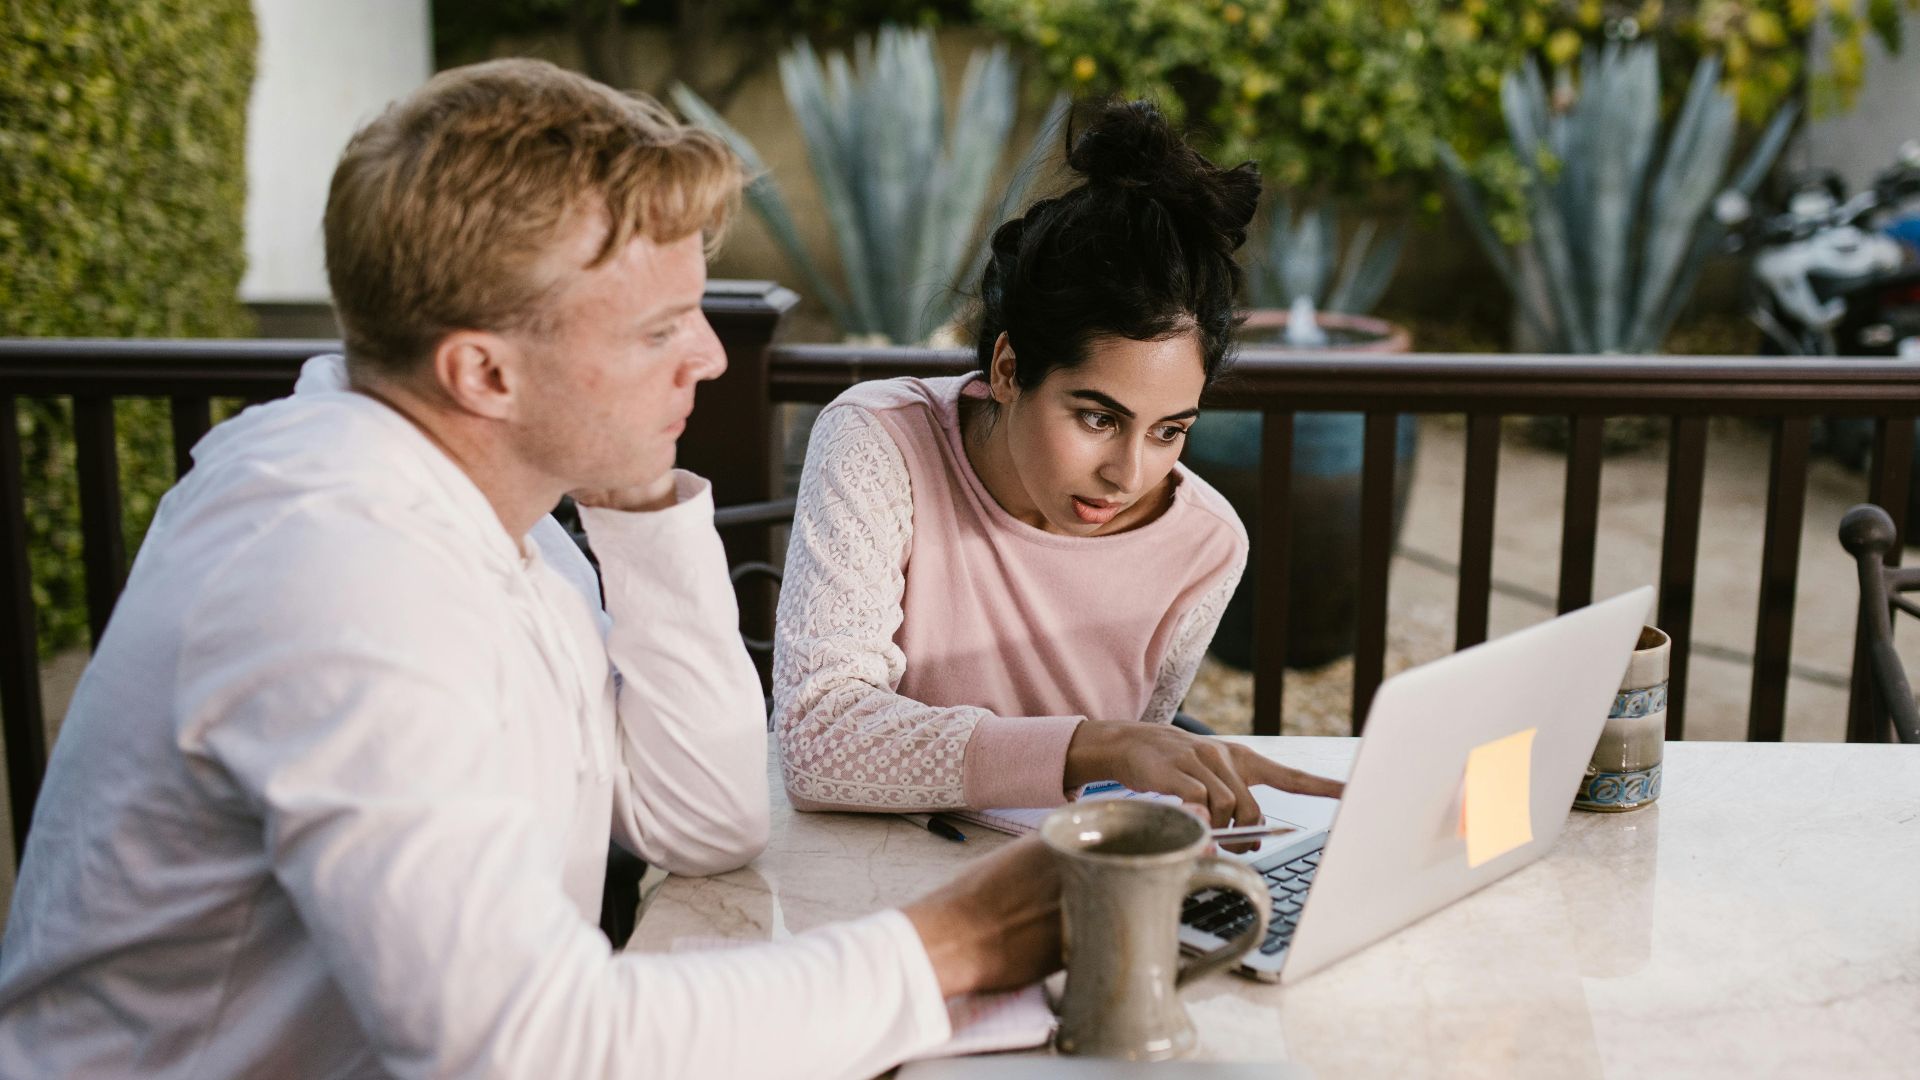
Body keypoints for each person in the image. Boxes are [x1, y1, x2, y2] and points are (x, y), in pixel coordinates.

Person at [0, 59, 1059, 1079]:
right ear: (483, 372)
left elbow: (705, 818)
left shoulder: (501, 519)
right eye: (658, 332)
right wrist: (951, 948)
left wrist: (634, 491)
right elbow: (518, 1048)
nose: (712, 357)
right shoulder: (332, 565)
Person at [773, 101, 1343, 831]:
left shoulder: (1206, 545)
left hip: (1065, 882)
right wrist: (1093, 744)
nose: (1129, 473)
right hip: (872, 880)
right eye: (1098, 418)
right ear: (1009, 368)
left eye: (1169, 430)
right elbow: (819, 739)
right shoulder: (880, 443)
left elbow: (1118, 787)